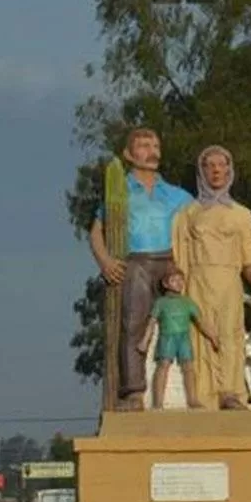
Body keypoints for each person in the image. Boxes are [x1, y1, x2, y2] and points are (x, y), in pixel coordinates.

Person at [90, 127, 196, 411]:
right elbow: (97, 230)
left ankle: (197, 390)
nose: (152, 151)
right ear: (128, 153)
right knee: (134, 323)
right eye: (144, 145)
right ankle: (133, 391)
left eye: (156, 145)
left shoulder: (177, 195)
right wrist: (105, 261)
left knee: (187, 319)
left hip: (171, 262)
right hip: (135, 260)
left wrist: (250, 236)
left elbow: (207, 220)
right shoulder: (119, 191)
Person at [172, 145, 251, 410]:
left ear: (230, 170)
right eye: (210, 165)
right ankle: (198, 398)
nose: (216, 170)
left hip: (229, 284)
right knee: (199, 339)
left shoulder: (243, 215)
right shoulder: (186, 214)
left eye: (222, 165)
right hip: (196, 283)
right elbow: (178, 260)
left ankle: (230, 394)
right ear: (201, 171)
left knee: (230, 338)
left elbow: (250, 262)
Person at [137, 269, 221, 409]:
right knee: (163, 366)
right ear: (166, 284)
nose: (179, 283)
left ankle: (193, 399)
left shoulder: (187, 302)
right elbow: (151, 322)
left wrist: (212, 336)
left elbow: (201, 321)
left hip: (183, 338)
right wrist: (144, 341)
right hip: (167, 337)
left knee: (188, 367)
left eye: (181, 280)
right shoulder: (161, 302)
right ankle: (158, 402)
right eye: (174, 280)